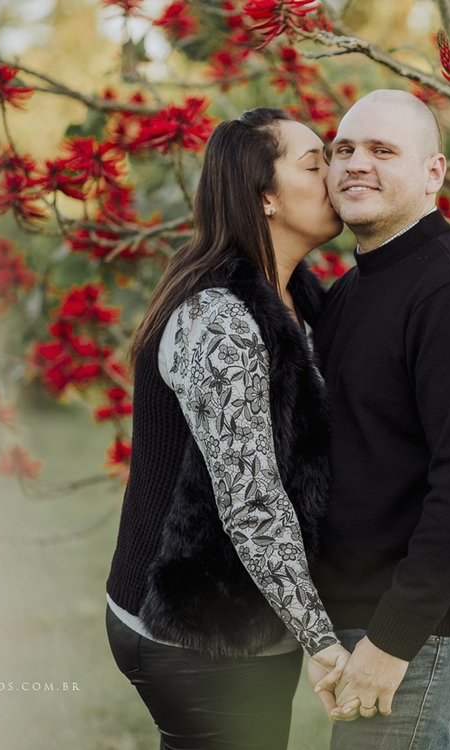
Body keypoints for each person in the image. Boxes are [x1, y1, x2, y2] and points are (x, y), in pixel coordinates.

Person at [103, 107, 351, 750]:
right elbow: (251, 497)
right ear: (264, 197)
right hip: (191, 625)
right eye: (314, 163)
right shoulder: (219, 319)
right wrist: (320, 640)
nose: (336, 174)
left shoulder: (303, 299)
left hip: (247, 618)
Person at [311, 89, 450, 748]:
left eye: (383, 150)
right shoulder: (352, 290)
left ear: (433, 173)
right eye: (343, 150)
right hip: (373, 619)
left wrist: (389, 642)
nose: (355, 164)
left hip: (432, 629)